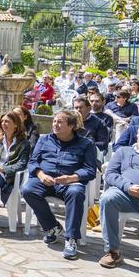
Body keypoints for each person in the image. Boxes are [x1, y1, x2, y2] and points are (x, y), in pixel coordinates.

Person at [21, 110, 97, 260]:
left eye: (60, 122)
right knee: (28, 189)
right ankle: (53, 227)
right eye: (54, 121)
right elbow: (33, 161)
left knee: (76, 193)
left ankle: (71, 239)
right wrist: (41, 175)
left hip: (70, 182)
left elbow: (90, 170)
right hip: (45, 180)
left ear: (72, 126)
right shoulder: (44, 140)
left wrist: (71, 178)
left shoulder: (86, 144)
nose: (55, 124)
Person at [98, 125, 139, 268]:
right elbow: (110, 174)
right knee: (107, 198)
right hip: (126, 196)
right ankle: (112, 251)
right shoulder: (123, 151)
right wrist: (128, 187)